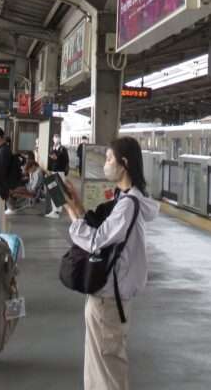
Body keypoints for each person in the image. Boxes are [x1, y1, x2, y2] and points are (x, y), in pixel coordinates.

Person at [63, 137, 159, 390]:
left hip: (108, 300)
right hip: (110, 298)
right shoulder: (126, 199)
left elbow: (96, 240)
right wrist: (74, 206)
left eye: (108, 159)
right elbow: (102, 232)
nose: (105, 165)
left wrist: (73, 220)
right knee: (102, 368)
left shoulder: (127, 204)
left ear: (123, 163)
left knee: (106, 372)